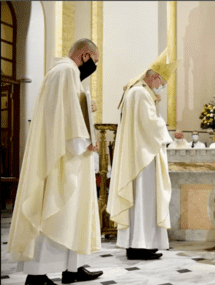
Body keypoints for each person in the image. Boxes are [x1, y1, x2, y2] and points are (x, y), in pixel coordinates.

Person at [6, 38, 103, 285]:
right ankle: (38, 275)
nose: (94, 66)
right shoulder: (66, 72)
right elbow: (65, 120)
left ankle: (73, 268)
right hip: (63, 157)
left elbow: (67, 110)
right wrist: (85, 141)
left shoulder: (62, 72)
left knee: (73, 214)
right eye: (95, 61)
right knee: (56, 212)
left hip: (69, 155)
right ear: (84, 55)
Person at [107, 48, 177, 261]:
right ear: (153, 76)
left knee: (144, 202)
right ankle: (138, 245)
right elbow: (149, 124)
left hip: (141, 153)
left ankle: (141, 244)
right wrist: (166, 134)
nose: (161, 88)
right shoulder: (139, 93)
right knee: (143, 201)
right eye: (161, 83)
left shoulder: (139, 91)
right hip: (142, 159)